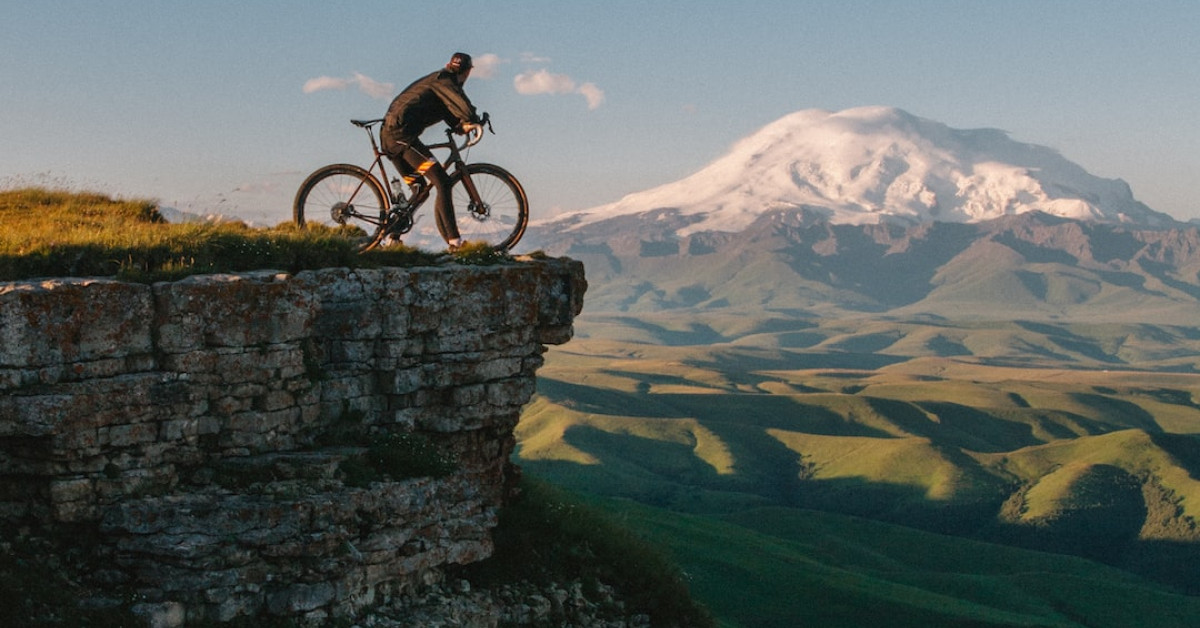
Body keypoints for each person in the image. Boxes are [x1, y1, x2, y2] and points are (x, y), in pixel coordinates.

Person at [381, 52, 482, 251]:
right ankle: (455, 242)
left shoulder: (439, 83)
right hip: (402, 137)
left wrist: (460, 126)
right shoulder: (445, 80)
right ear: (468, 72)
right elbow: (462, 105)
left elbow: (448, 111)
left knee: (419, 189)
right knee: (442, 182)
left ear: (449, 64)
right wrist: (473, 119)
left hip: (392, 136)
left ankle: (391, 237)